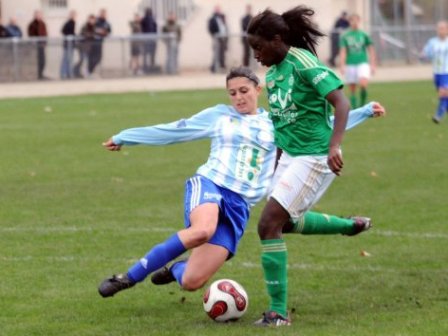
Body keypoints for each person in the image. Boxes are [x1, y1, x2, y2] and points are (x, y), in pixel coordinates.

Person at [97, 66, 385, 300]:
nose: (238, 97)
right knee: (202, 230)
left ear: (258, 90)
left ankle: (175, 270)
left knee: (192, 282)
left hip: (239, 206)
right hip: (209, 184)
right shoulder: (219, 116)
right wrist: (125, 136)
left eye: (244, 91)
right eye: (232, 92)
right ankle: (128, 277)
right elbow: (173, 130)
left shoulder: (276, 123)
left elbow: (323, 126)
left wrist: (364, 111)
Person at [247, 6, 365, 326]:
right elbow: (282, 126)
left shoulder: (303, 63)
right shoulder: (272, 75)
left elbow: (341, 102)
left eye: (258, 47)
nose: (255, 55)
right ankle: (347, 225)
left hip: (315, 155)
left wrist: (334, 146)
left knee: (268, 224)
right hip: (291, 156)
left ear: (276, 39)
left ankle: (278, 313)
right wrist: (275, 165)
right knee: (282, 223)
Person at [339, 13, 376, 108]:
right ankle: (354, 106)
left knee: (363, 84)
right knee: (352, 87)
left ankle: (363, 103)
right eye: (352, 20)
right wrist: (342, 65)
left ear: (359, 21)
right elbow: (343, 51)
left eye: (356, 20)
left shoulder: (364, 35)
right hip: (350, 63)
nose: (354, 22)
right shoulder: (345, 36)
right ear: (349, 22)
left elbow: (371, 50)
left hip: (362, 63)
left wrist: (373, 64)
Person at [421, 20, 448, 124]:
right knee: (444, 95)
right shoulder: (432, 42)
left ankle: (438, 115)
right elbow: (425, 53)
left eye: (443, 28)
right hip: (437, 73)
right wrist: (423, 55)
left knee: (443, 93)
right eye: (439, 28)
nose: (441, 31)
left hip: (447, 72)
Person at [88, 9, 111, 76]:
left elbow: (108, 31)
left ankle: (92, 70)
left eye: (105, 13)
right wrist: (100, 31)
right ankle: (90, 71)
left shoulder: (106, 22)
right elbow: (92, 29)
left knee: (99, 57)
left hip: (100, 42)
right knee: (92, 57)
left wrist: (105, 32)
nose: (103, 15)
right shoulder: (96, 21)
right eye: (102, 13)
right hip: (93, 42)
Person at [28, 10, 48, 80]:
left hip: (41, 45)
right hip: (36, 46)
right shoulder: (32, 24)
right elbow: (31, 34)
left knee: (43, 60)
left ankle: (41, 74)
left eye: (40, 15)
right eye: (38, 15)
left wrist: (44, 42)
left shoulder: (42, 23)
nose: (39, 16)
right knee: (38, 61)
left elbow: (45, 33)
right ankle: (38, 75)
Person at [208, 5, 228, 73]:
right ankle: (214, 68)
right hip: (216, 37)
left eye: (219, 9)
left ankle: (222, 67)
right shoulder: (212, 18)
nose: (218, 11)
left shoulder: (222, 17)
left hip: (222, 37)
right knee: (216, 53)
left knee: (222, 52)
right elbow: (210, 28)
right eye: (217, 9)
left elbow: (225, 26)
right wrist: (214, 35)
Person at [60, 10, 77, 79]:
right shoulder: (68, 23)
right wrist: (69, 37)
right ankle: (63, 73)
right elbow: (63, 31)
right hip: (67, 45)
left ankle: (69, 73)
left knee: (70, 59)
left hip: (72, 44)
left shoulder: (74, 23)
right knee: (66, 59)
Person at [141, 7, 158, 73]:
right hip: (149, 40)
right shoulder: (146, 20)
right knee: (149, 54)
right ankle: (149, 67)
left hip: (149, 40)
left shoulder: (151, 20)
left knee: (149, 54)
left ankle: (149, 67)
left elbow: (155, 29)